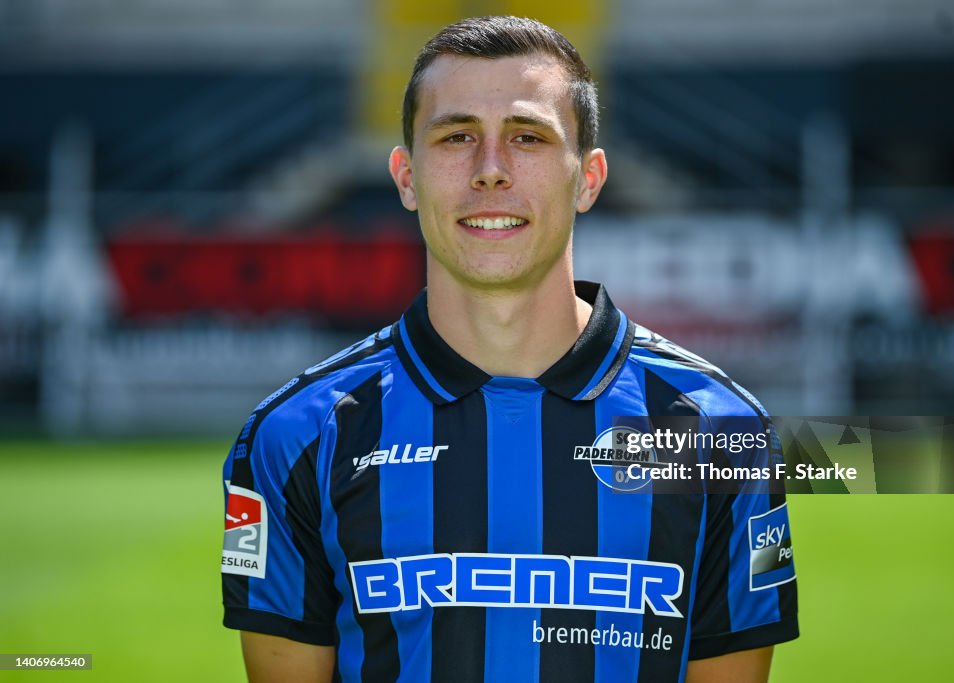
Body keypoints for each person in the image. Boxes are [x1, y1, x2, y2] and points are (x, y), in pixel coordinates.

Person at [221, 15, 797, 683]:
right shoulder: (292, 436)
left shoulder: (724, 432)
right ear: (406, 177)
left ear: (588, 178)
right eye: (457, 136)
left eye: (527, 138)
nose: (490, 170)